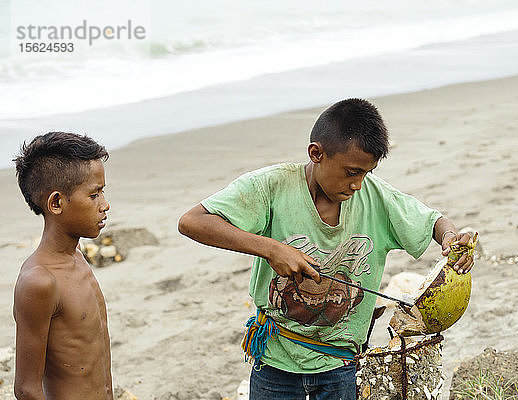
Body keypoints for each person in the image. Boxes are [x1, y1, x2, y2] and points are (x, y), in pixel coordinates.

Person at [178, 98, 474, 399]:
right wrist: (270, 249)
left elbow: (434, 221)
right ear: (316, 153)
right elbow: (192, 221)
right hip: (275, 360)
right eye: (351, 172)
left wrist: (451, 236)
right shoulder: (271, 187)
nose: (357, 184)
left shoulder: (376, 198)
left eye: (365, 174)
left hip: (341, 364)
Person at [13, 132, 113, 400]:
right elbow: (26, 389)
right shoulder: (40, 281)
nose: (105, 205)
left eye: (103, 192)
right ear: (56, 203)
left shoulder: (76, 256)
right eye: (94, 195)